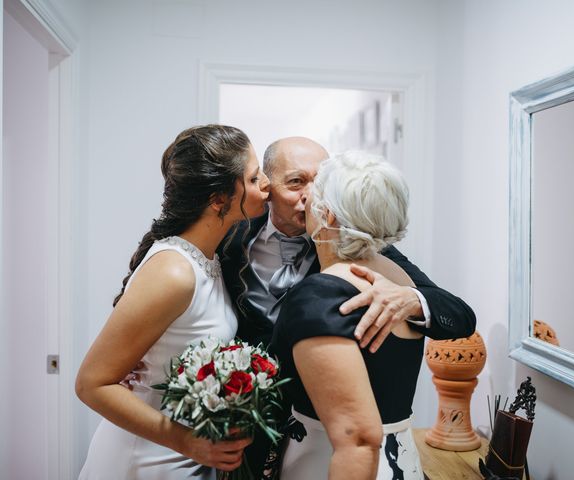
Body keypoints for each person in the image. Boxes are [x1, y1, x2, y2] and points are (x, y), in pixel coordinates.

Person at [219, 137, 476, 476]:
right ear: (267, 186)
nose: (309, 194)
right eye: (297, 181)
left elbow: (459, 315)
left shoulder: (369, 253)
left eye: (319, 181)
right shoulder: (230, 236)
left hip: (334, 441)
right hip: (249, 425)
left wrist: (412, 299)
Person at [76, 125, 270, 479]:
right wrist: (189, 442)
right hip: (143, 462)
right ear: (218, 199)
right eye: (255, 178)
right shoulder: (173, 272)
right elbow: (92, 384)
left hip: (183, 461)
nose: (267, 184)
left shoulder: (210, 256)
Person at [270, 151, 427, 479]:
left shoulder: (317, 297)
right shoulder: (399, 279)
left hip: (332, 463)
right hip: (401, 460)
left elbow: (357, 438)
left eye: (314, 191)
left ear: (326, 215)